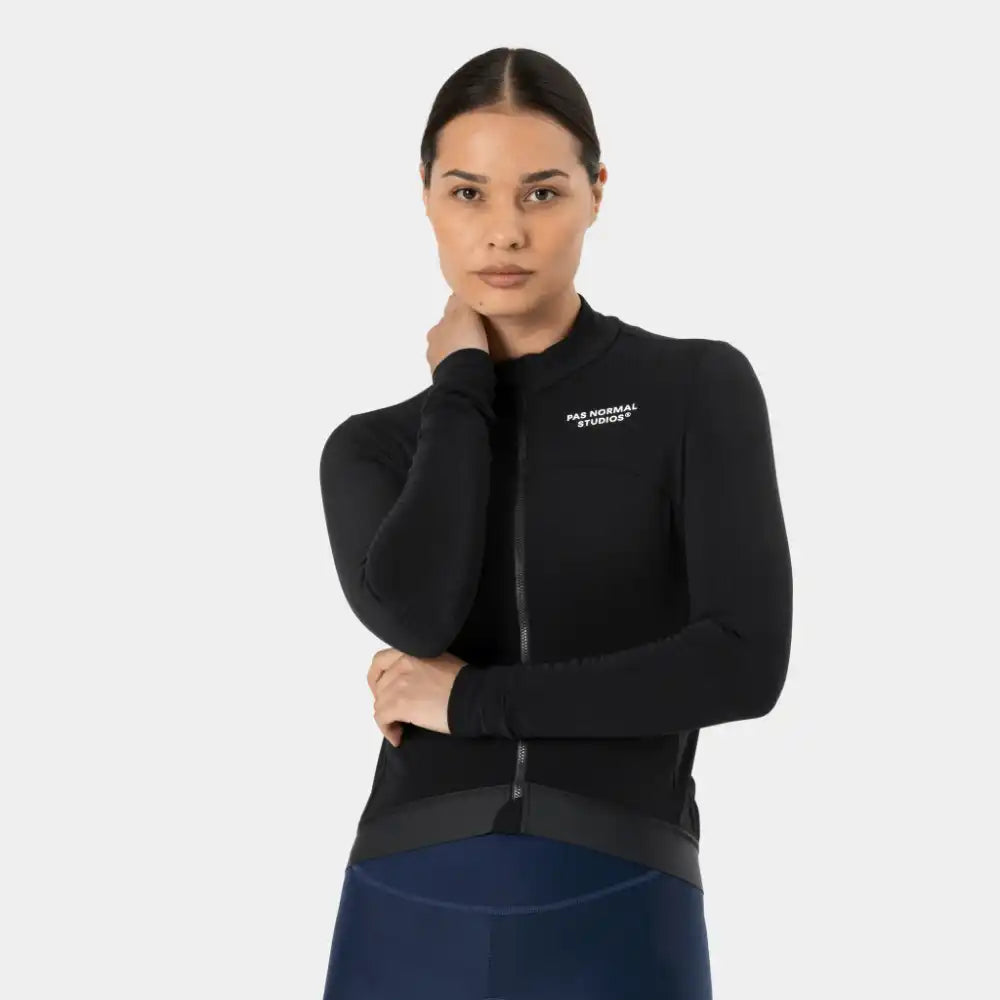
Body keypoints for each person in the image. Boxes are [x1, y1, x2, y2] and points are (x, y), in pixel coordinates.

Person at [317, 46, 792, 1000]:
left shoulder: (694, 387)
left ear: (596, 192)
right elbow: (417, 612)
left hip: (621, 888)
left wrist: (472, 703)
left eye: (541, 193)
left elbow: (743, 662)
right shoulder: (374, 447)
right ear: (425, 196)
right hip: (409, 897)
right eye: (467, 193)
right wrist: (463, 384)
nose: (504, 232)